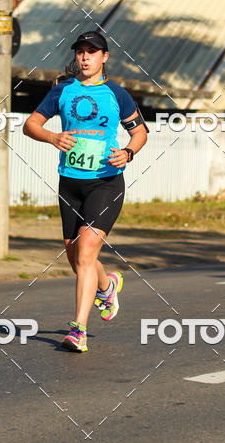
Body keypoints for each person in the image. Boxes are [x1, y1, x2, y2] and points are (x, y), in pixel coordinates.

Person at [23, 31, 148, 352]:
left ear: (105, 57)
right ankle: (107, 286)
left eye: (92, 52)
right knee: (77, 257)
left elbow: (140, 133)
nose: (85, 57)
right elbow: (31, 124)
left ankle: (78, 328)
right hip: (70, 182)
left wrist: (128, 152)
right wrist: (52, 138)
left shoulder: (117, 94)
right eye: (80, 52)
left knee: (88, 250)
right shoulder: (62, 91)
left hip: (106, 181)